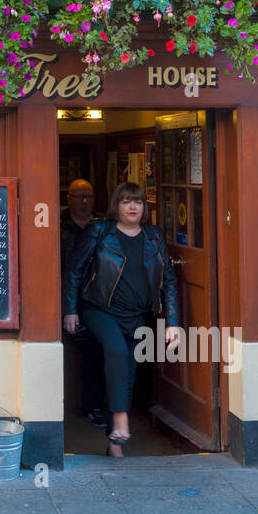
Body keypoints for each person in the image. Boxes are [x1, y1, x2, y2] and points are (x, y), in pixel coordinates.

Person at [63, 182, 182, 456]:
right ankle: (120, 419)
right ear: (116, 205)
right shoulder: (100, 231)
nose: (132, 207)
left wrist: (172, 323)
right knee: (116, 349)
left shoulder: (153, 236)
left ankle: (114, 443)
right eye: (126, 201)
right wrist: (70, 309)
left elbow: (168, 281)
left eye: (138, 202)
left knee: (127, 373)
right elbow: (74, 270)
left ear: (144, 208)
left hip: (137, 315)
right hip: (98, 309)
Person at [61, 179, 106, 428]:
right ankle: (62, 405)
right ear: (68, 199)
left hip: (96, 299)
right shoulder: (58, 226)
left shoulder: (104, 226)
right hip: (65, 296)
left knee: (95, 354)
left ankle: (93, 405)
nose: (84, 201)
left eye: (88, 196)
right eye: (79, 196)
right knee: (64, 355)